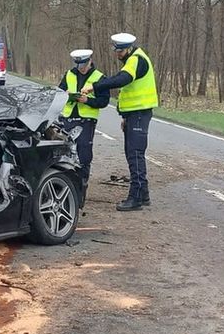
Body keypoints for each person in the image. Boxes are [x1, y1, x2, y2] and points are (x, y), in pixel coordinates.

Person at [81, 33, 158, 211]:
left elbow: (122, 80)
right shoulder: (132, 60)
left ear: (129, 48)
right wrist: (124, 116)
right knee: (133, 153)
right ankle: (144, 194)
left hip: (139, 113)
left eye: (120, 50)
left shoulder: (136, 60)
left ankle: (136, 198)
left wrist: (95, 86)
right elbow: (130, 89)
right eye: (116, 50)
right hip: (134, 114)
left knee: (135, 154)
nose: (117, 53)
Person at [58, 49, 109, 203]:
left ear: (90, 61)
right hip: (67, 119)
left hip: (87, 120)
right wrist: (66, 95)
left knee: (83, 156)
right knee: (65, 154)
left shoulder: (99, 77)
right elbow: (58, 93)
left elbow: (104, 101)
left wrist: (88, 101)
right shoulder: (69, 74)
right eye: (78, 64)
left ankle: (81, 193)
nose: (81, 67)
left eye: (84, 64)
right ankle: (65, 190)